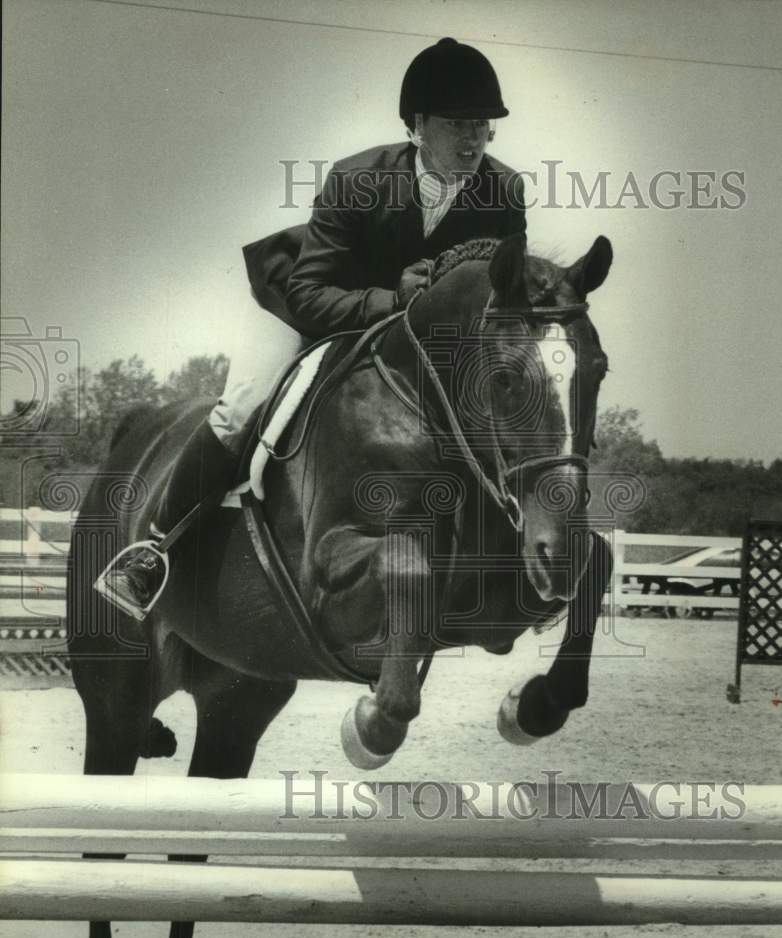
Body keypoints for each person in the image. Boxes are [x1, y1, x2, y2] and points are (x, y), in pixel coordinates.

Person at [97, 37, 527, 621]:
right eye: (457, 124)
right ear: (419, 125)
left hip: (407, 340)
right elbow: (307, 292)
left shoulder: (504, 191)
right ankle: (150, 550)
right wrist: (390, 301)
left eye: (482, 125)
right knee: (241, 407)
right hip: (304, 307)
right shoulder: (356, 179)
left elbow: (496, 297)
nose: (473, 138)